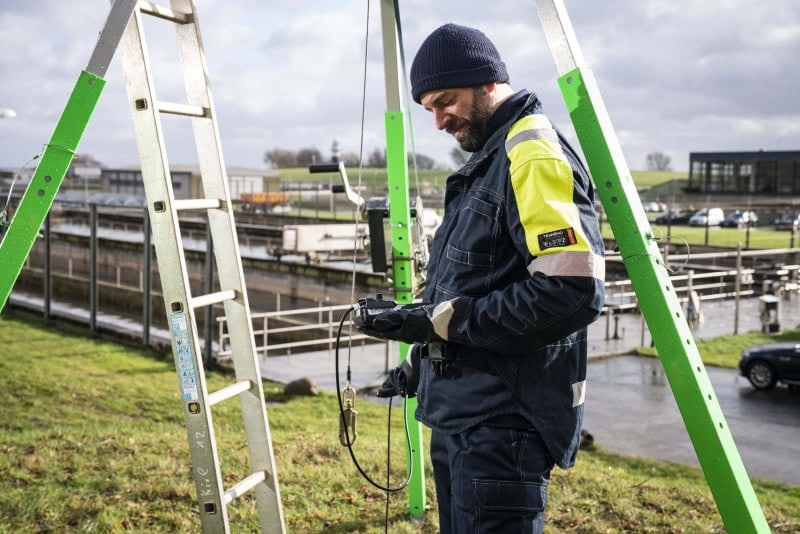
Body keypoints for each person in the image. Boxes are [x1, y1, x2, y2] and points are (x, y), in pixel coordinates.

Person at [359, 23, 605, 533]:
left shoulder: (530, 154)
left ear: (487, 81)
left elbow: (571, 291)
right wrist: (421, 356)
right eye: (429, 108)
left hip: (501, 425)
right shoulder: (491, 159)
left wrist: (444, 323)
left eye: (445, 101)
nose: (439, 121)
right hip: (467, 415)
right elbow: (474, 285)